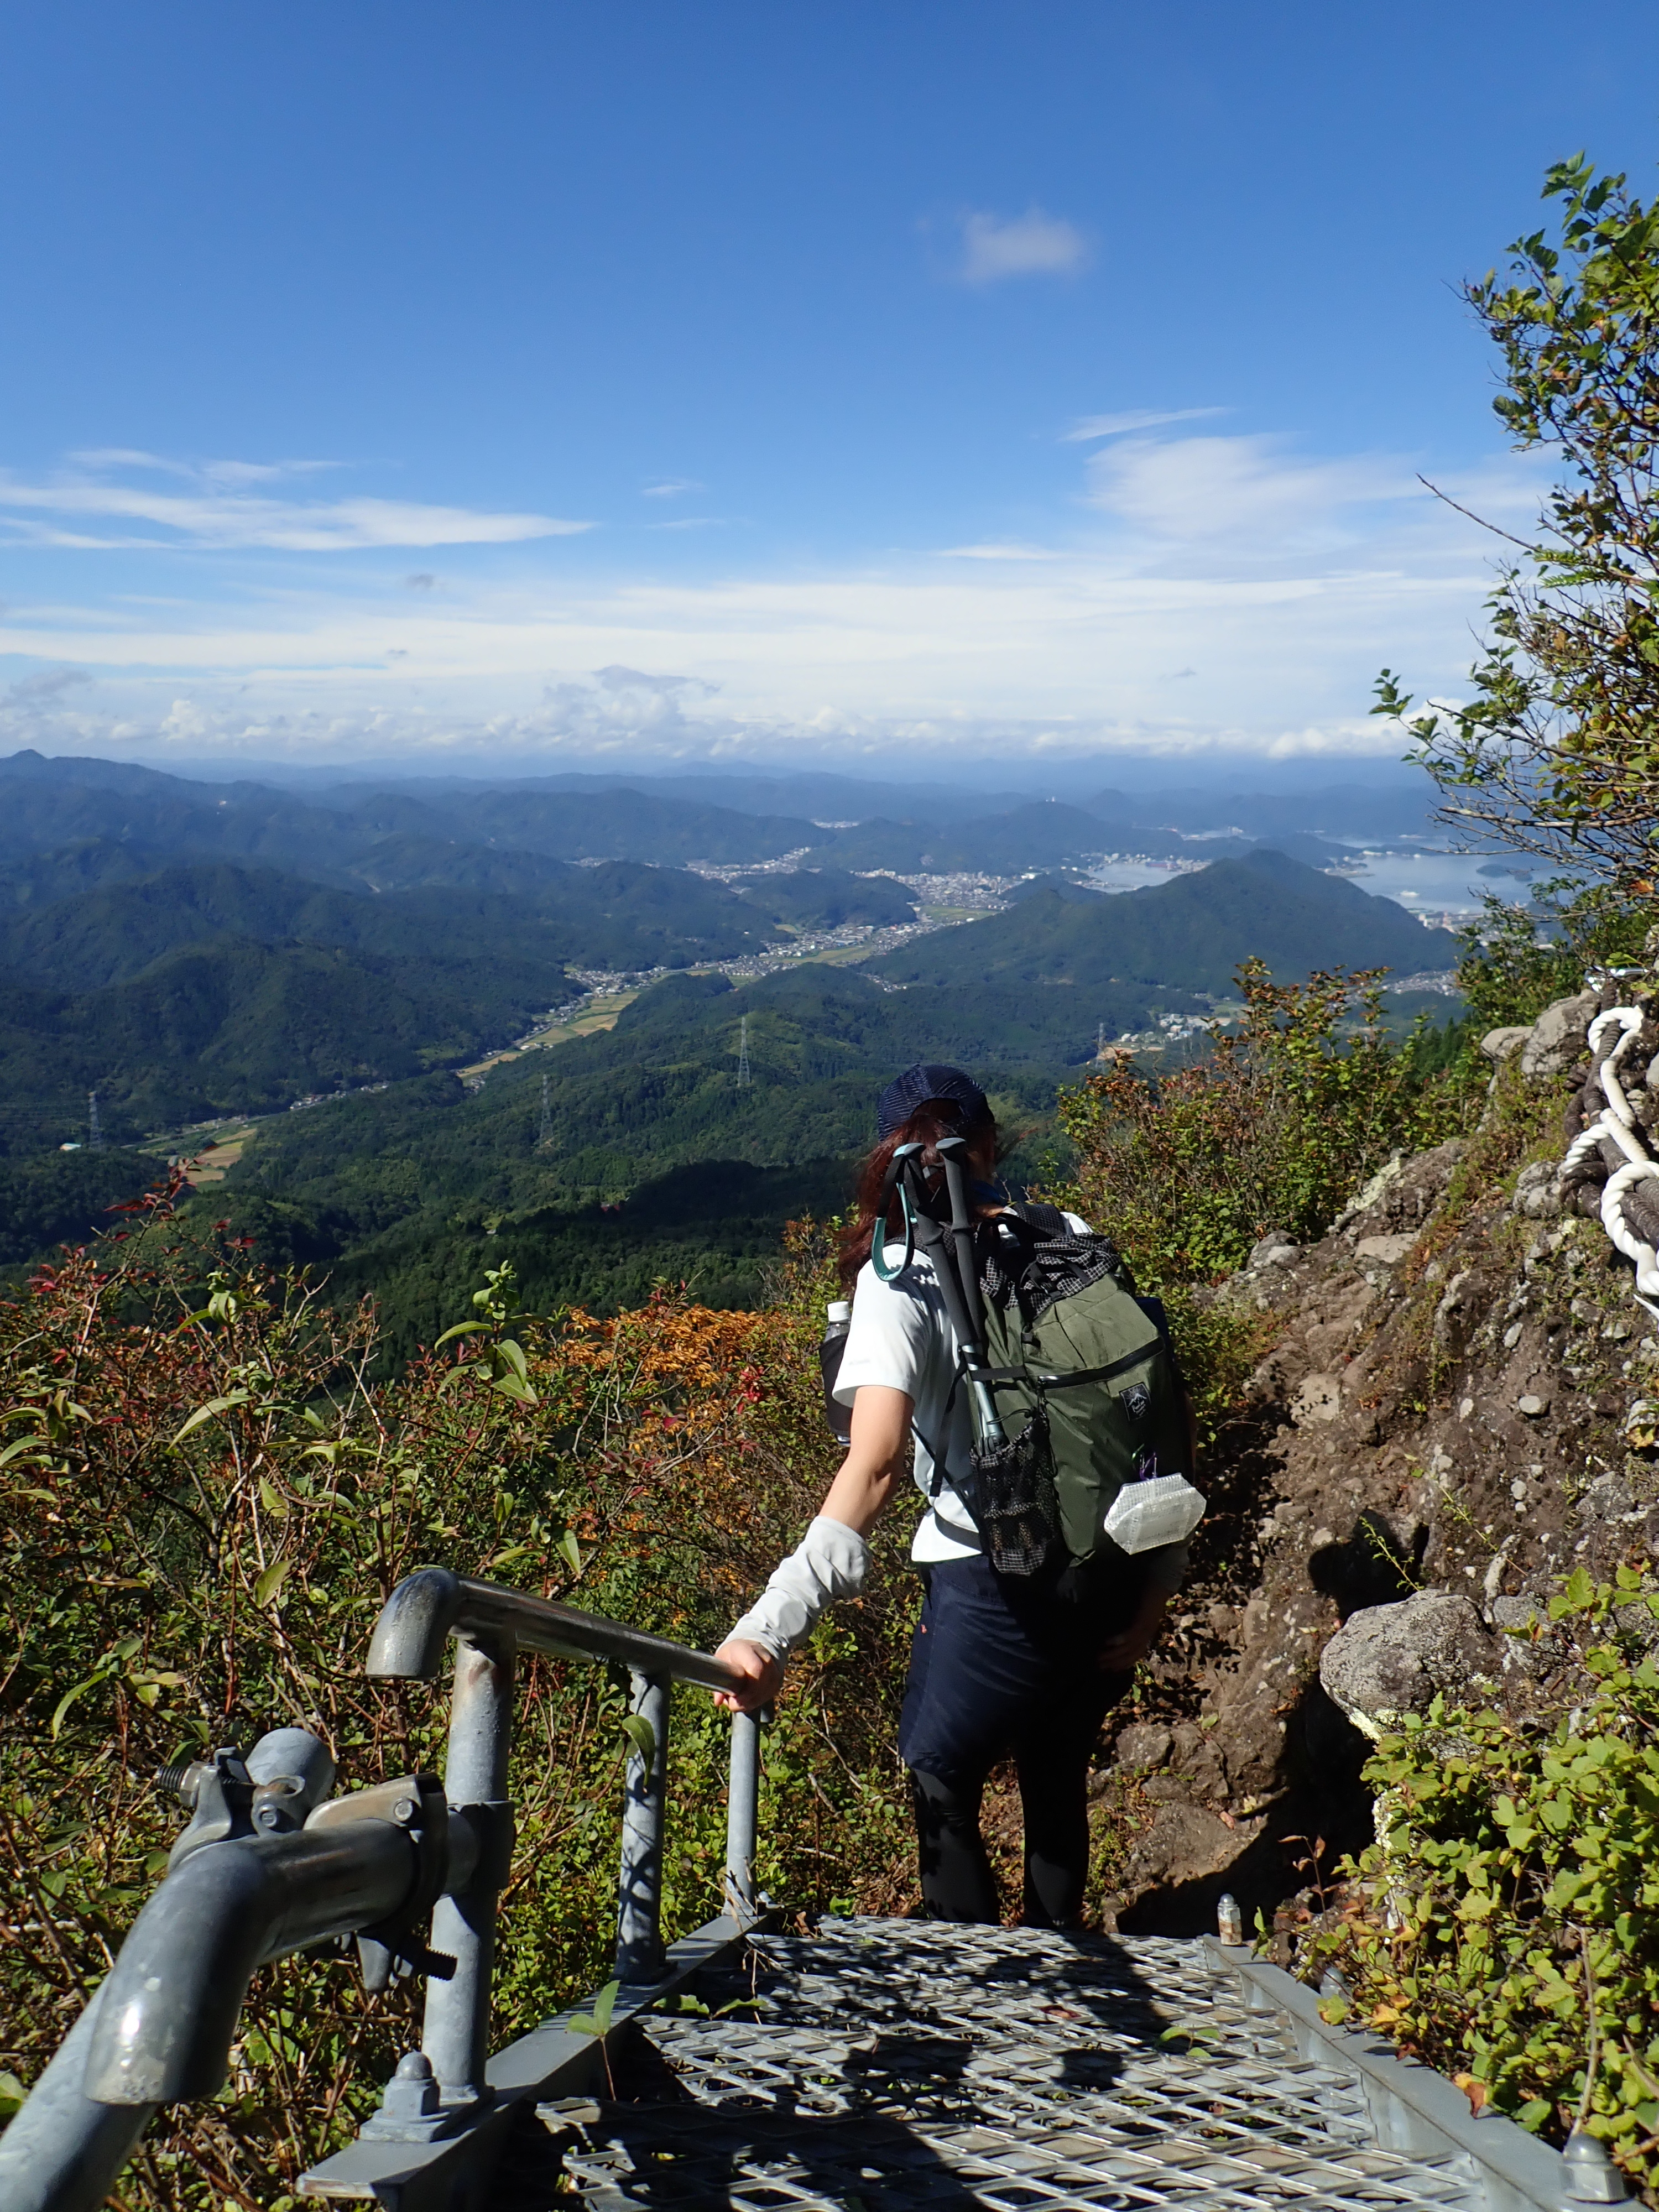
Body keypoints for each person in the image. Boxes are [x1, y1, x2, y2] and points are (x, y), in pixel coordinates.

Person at [714, 1062, 1194, 1927]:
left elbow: (876, 1465)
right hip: (1110, 1568)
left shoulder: (900, 1278)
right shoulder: (1066, 1234)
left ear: (886, 1158)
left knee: (940, 1777)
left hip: (990, 1587)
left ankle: (973, 1995)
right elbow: (1149, 1416)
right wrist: (1156, 1588)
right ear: (988, 1147)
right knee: (1057, 1777)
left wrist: (768, 1626)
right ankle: (1058, 1974)